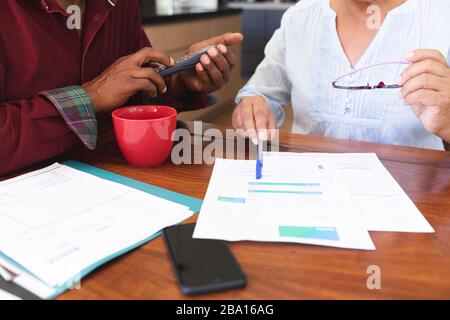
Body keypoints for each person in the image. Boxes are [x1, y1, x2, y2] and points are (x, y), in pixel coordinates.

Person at [0, 0, 243, 175]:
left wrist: (178, 82)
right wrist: (91, 97)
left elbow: (134, 96)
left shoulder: (121, 6)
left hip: (118, 178)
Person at [232, 0, 450, 150]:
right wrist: (253, 106)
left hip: (417, 199)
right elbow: (261, 92)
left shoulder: (441, 19)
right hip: (310, 191)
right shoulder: (300, 18)